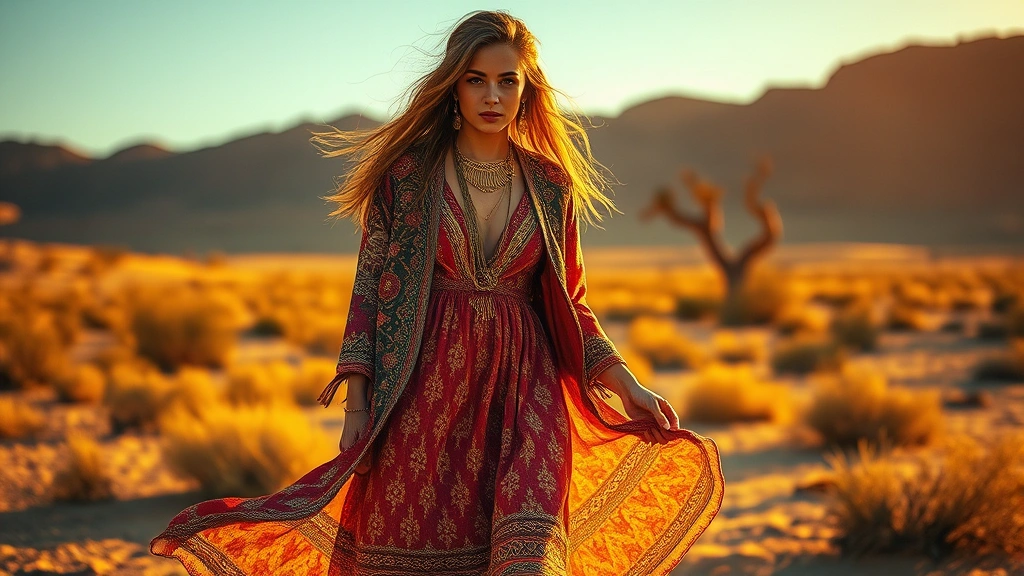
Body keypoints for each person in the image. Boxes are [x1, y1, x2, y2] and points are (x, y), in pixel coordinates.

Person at [151, 10, 723, 575]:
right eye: (476, 80)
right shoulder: (406, 179)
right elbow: (370, 292)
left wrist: (627, 384)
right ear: (454, 86)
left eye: (507, 81)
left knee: (530, 561)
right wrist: (357, 400)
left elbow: (572, 303)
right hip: (426, 395)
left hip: (529, 396)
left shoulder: (552, 186)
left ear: (526, 91)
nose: (492, 95)